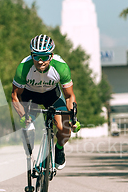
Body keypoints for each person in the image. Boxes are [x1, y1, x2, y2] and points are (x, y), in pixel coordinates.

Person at [11, 34, 80, 172]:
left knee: (64, 129)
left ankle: (59, 148)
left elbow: (69, 96)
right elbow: (15, 96)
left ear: (51, 56)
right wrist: (23, 116)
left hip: (52, 96)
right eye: (36, 56)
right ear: (32, 55)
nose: (40, 61)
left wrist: (73, 117)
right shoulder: (24, 67)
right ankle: (30, 153)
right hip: (30, 96)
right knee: (28, 127)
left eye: (45, 57)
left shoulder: (61, 67)